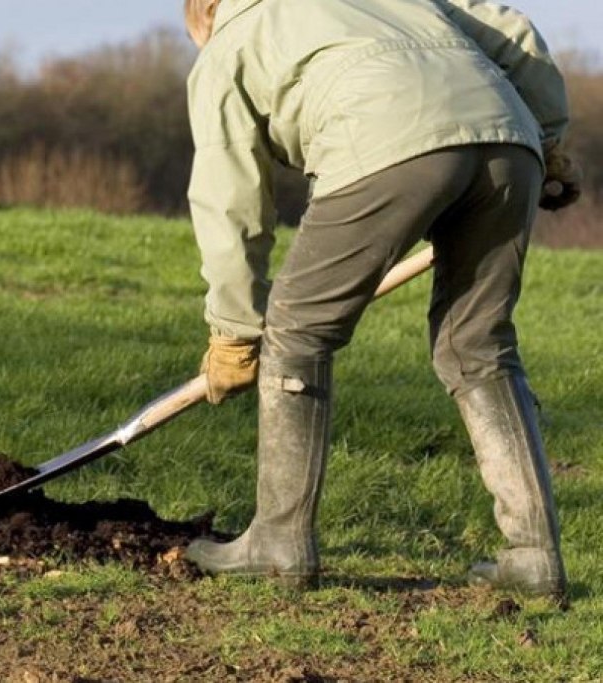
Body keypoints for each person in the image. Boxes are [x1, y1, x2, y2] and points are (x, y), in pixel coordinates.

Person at [182, 0, 582, 598]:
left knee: (297, 331)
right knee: (478, 344)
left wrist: (234, 332)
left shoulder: (228, 44)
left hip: (385, 138)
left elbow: (229, 204)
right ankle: (533, 556)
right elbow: (514, 32)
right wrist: (547, 142)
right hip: (508, 138)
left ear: (206, 15)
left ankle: (279, 543)